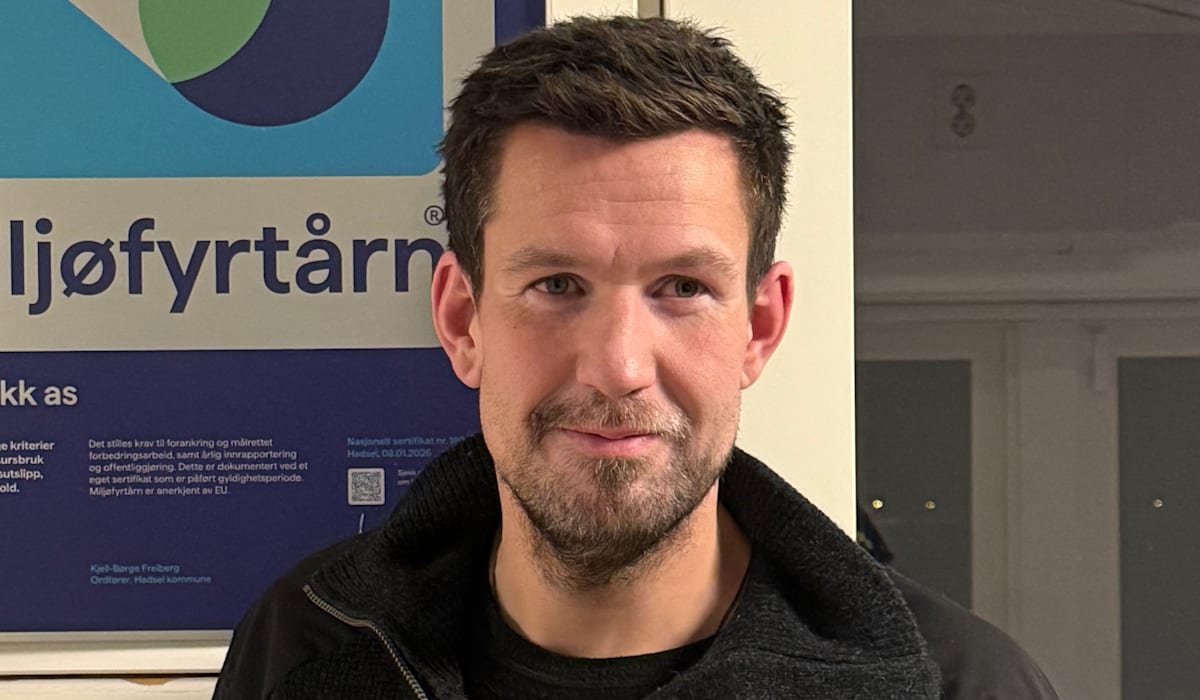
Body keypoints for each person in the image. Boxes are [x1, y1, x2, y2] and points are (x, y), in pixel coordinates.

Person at [215, 16, 1058, 699]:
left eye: (683, 287)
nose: (619, 367)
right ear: (463, 320)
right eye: (556, 285)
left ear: (760, 327)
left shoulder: (963, 687)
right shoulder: (302, 650)